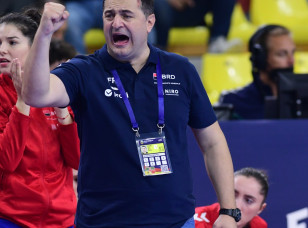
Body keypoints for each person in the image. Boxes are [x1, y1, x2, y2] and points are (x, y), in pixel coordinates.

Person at [22, 1, 238, 227]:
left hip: (175, 221)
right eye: (109, 15)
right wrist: (44, 34)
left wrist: (228, 210)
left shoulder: (180, 69)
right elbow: (36, 95)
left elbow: (213, 143)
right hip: (102, 221)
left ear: (149, 22)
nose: (116, 23)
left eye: (126, 15)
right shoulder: (83, 70)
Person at [0, 8, 80, 227]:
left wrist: (63, 108)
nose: (1, 50)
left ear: (35, 47)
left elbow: (76, 159)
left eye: (12, 42)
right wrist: (22, 102)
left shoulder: (55, 90)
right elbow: (6, 159)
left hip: (61, 218)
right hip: (5, 217)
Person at [217, 24, 295, 119]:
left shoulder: (302, 99)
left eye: (293, 53)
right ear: (261, 59)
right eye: (282, 54)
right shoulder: (233, 101)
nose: (291, 61)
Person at [153, 0, 242, 53]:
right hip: (163, 8)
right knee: (158, 7)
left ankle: (217, 40)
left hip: (192, 7)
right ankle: (158, 54)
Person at [194, 167, 268, 228]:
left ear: (260, 209)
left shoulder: (259, 225)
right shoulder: (195, 223)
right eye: (232, 195)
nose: (237, 205)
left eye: (248, 200)